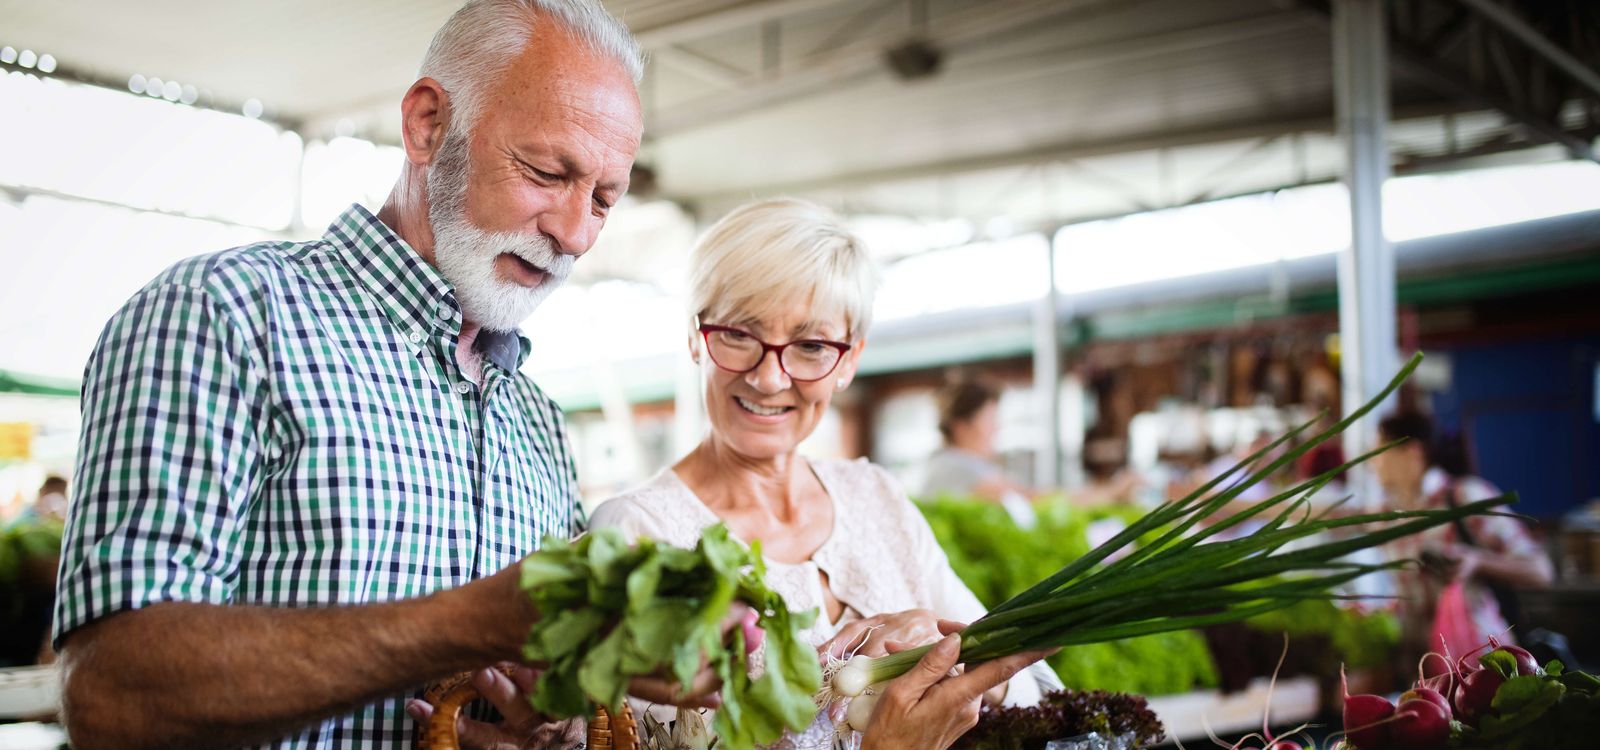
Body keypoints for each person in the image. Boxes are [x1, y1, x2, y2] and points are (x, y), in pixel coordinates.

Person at [51, 3, 707, 748]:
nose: (575, 232)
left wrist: (539, 725)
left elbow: (535, 697)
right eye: (547, 172)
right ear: (428, 124)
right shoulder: (225, 315)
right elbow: (112, 694)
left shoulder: (536, 417)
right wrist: (467, 623)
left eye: (603, 198)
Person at [590, 199, 1060, 749]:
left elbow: (1039, 691)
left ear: (849, 360)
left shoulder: (876, 499)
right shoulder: (638, 534)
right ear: (697, 338)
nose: (769, 378)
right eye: (739, 334)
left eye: (811, 346)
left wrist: (944, 657)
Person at [1374, 411, 1554, 673]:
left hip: (1484, 669)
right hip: (1424, 674)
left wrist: (1478, 561)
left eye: (1379, 452)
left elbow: (1541, 570)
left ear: (1411, 452)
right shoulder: (1390, 514)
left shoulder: (1465, 497)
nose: (1373, 463)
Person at [920, 379, 1137, 518]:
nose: (996, 429)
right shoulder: (951, 467)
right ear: (961, 427)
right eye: (989, 420)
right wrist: (1110, 491)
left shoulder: (967, 465)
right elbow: (1033, 500)